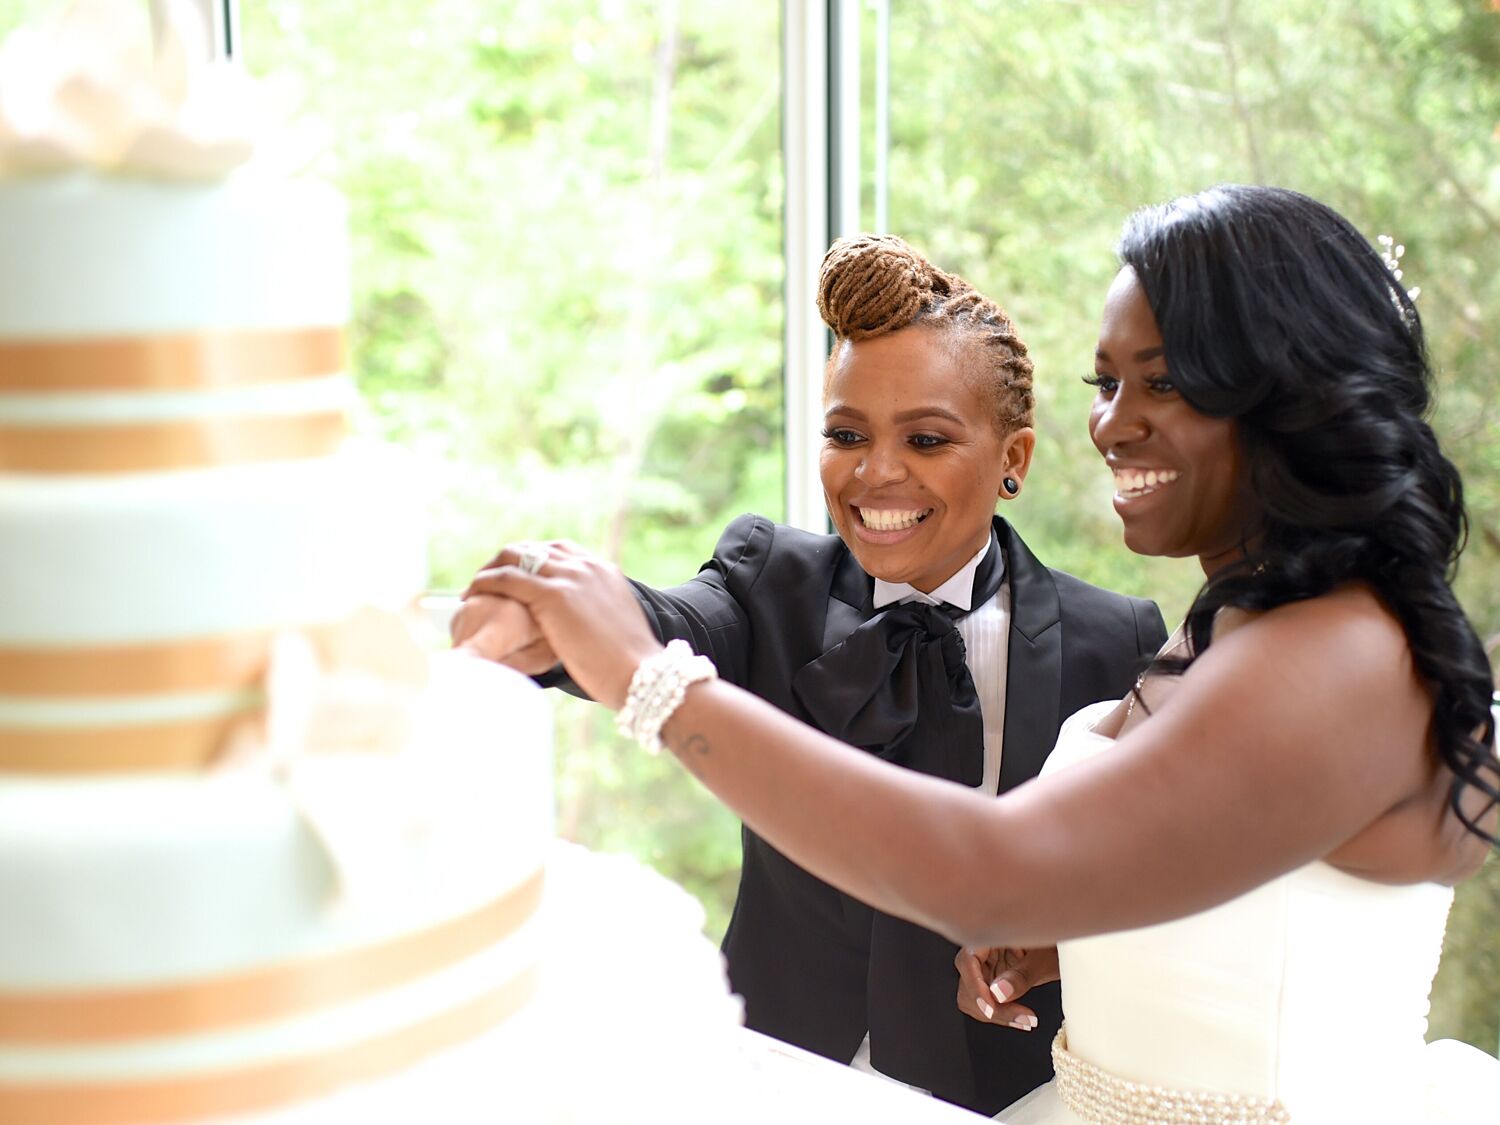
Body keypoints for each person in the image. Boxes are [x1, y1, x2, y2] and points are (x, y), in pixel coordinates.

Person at [462, 185, 1500, 1123]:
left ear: (1288, 392)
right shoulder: (1248, 622)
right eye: (1105, 382)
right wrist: (1095, 949)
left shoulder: (1333, 655)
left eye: (1163, 384)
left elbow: (994, 869)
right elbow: (1252, 861)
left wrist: (647, 677)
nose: (1113, 424)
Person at [453, 234, 1168, 1114]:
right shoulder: (767, 580)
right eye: (846, 434)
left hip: (1000, 1097)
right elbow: (666, 622)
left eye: (928, 437)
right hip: (775, 1075)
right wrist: (545, 620)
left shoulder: (1116, 637)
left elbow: (1135, 881)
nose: (875, 471)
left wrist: (1053, 943)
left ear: (1013, 459)